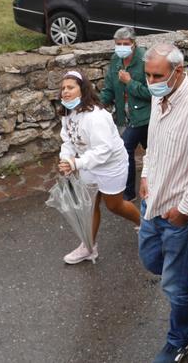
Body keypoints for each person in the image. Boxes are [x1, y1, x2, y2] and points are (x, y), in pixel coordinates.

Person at [138, 43, 188, 363]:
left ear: (179, 71)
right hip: (153, 202)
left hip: (181, 215)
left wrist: (184, 210)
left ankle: (180, 339)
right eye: (147, 75)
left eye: (157, 75)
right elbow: (154, 146)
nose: (151, 81)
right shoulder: (161, 98)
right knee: (151, 261)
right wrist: (145, 175)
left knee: (174, 285)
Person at [56, 70, 140, 265]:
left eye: (71, 87)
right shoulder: (68, 113)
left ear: (82, 90)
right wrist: (66, 158)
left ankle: (144, 225)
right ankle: (88, 247)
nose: (65, 92)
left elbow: (104, 149)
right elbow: (68, 140)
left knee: (115, 206)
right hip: (88, 163)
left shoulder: (97, 117)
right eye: (63, 88)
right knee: (90, 205)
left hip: (110, 164)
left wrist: (76, 163)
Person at [99, 27, 151, 201]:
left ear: (134, 44)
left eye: (125, 44)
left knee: (125, 148)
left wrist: (130, 83)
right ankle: (143, 186)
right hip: (124, 116)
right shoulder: (115, 60)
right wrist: (98, 104)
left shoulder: (145, 60)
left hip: (144, 116)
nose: (121, 47)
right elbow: (109, 88)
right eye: (118, 44)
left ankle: (128, 194)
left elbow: (152, 92)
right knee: (150, 151)